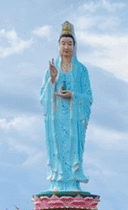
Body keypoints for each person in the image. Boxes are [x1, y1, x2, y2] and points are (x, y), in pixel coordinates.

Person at [41, 20, 92, 192]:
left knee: (72, 147)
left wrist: (74, 95)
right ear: (58, 46)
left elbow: (89, 97)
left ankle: (73, 181)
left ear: (75, 46)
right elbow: (43, 97)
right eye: (63, 43)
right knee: (57, 147)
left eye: (70, 43)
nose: (66, 47)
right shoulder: (51, 69)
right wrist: (52, 80)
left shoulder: (82, 70)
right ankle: (57, 180)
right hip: (57, 117)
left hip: (74, 119)